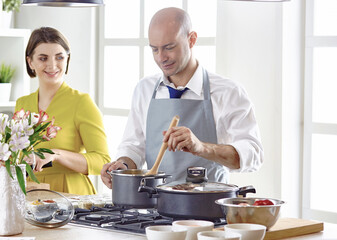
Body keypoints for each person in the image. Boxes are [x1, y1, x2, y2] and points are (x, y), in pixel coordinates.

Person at [101, 7, 263, 188]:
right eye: (154, 49)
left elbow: (253, 155)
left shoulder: (228, 92)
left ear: (191, 40)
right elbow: (134, 147)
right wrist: (122, 167)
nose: (161, 57)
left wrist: (202, 147)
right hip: (154, 207)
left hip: (207, 208)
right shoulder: (144, 89)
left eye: (169, 47)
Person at [16, 27, 110, 195]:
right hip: (31, 193)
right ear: (30, 62)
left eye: (59, 57)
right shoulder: (22, 104)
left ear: (67, 59)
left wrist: (56, 154)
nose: (52, 65)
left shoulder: (81, 102)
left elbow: (102, 161)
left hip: (71, 195)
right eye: (43, 58)